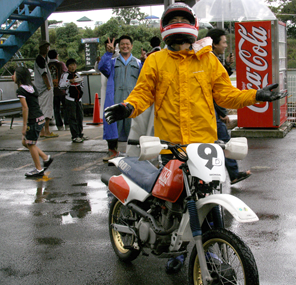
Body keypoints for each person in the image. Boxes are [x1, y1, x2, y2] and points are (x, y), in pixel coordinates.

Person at [105, 2, 284, 273]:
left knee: (210, 201)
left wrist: (256, 95)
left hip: (205, 147)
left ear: (192, 25)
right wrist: (128, 107)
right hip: (171, 147)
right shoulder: (155, 61)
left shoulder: (208, 59)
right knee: (174, 203)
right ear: (166, 27)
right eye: (173, 18)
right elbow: (143, 94)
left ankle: (206, 251)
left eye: (182, 18)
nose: (178, 22)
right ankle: (176, 252)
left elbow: (226, 95)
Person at [206, 28, 251, 185]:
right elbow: (215, 91)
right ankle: (231, 175)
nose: (225, 45)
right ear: (214, 44)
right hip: (212, 111)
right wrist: (222, 113)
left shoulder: (209, 58)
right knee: (224, 141)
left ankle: (222, 176)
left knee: (214, 143)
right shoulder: (209, 58)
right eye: (223, 42)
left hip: (211, 111)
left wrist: (226, 65)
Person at [98, 35, 143, 161]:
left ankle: (134, 154)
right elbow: (102, 67)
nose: (125, 46)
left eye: (127, 44)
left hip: (132, 100)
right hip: (115, 98)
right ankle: (112, 152)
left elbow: (145, 78)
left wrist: (145, 61)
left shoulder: (138, 63)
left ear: (131, 46)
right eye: (122, 44)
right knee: (113, 124)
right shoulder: (112, 62)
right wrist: (108, 53)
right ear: (119, 46)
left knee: (133, 126)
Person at [12, 67, 53, 177]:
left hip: (33, 120)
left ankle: (38, 169)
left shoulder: (20, 90)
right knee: (25, 142)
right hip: (40, 118)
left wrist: (24, 125)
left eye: (14, 74)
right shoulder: (31, 87)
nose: (12, 76)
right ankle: (45, 157)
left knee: (30, 144)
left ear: (19, 76)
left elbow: (25, 108)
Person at [33, 40, 59, 138]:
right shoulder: (40, 59)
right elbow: (44, 74)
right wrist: (49, 86)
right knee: (47, 110)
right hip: (44, 89)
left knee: (42, 110)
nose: (46, 49)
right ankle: (46, 131)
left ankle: (43, 131)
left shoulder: (42, 59)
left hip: (41, 89)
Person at [59, 58, 87, 143]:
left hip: (78, 100)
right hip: (70, 99)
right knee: (72, 118)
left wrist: (79, 82)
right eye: (71, 65)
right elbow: (61, 86)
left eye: (74, 65)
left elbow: (82, 85)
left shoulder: (77, 75)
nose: (73, 67)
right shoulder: (65, 75)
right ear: (67, 66)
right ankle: (75, 136)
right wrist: (69, 82)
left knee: (80, 117)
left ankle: (80, 134)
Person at [48, 49, 68, 131]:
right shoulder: (61, 64)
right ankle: (67, 124)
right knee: (66, 107)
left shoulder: (47, 65)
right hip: (62, 90)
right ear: (57, 55)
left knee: (56, 109)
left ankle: (59, 125)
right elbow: (66, 73)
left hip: (52, 90)